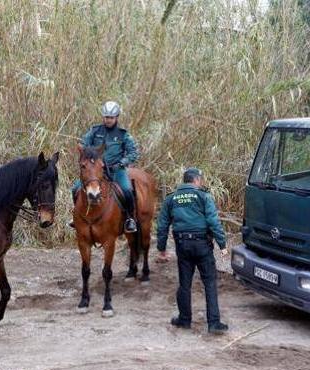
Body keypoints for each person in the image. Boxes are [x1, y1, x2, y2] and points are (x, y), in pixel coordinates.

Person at [156, 167, 229, 334]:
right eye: (200, 179)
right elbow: (213, 222)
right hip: (203, 245)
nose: (201, 182)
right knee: (210, 283)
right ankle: (214, 323)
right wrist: (222, 245)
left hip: (183, 246)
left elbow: (162, 226)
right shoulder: (203, 196)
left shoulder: (171, 198)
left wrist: (161, 248)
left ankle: (184, 320)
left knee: (184, 284)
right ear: (196, 180)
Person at [70, 101, 139, 233]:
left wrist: (122, 163)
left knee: (127, 190)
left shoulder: (123, 134)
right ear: (103, 117)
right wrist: (86, 152)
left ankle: (130, 219)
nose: (108, 120)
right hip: (95, 171)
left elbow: (133, 153)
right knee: (75, 188)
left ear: (116, 117)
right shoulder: (94, 131)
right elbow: (84, 143)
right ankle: (77, 216)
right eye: (106, 117)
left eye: (111, 118)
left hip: (116, 170)